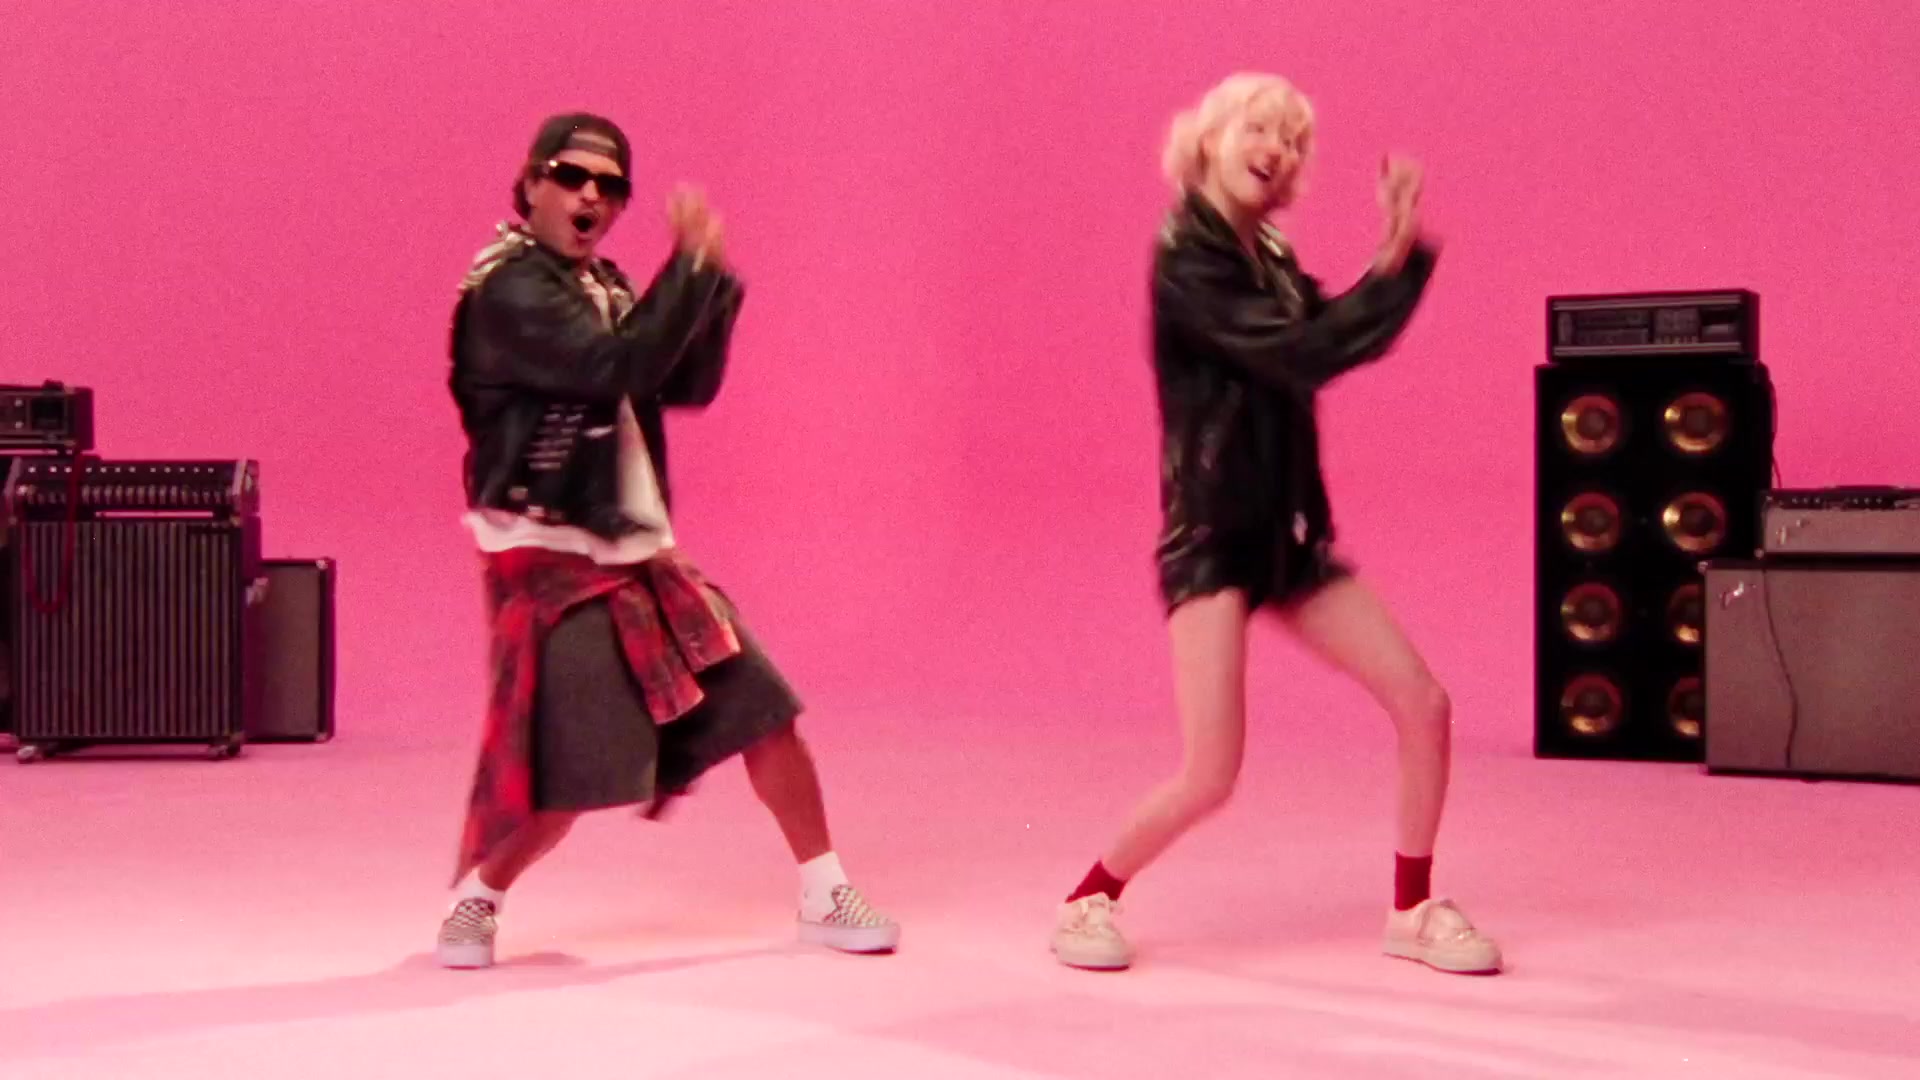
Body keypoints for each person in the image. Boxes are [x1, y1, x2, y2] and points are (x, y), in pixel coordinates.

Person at [1050, 75, 1501, 975]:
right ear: (1208, 141)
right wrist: (1393, 271)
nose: (1276, 149)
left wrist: (1396, 254)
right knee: (1211, 774)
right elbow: (1306, 351)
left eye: (1291, 140)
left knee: (1424, 703)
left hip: (1288, 538)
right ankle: (1087, 900)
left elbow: (1328, 328)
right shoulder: (1188, 259)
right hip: (1213, 539)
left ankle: (1412, 910)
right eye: (1257, 128)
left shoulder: (1271, 256)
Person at [437, 113, 899, 968]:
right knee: (568, 781)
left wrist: (709, 283)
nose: (591, 195)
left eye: (610, 186)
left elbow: (681, 381)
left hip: (635, 552)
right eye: (571, 176)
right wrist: (686, 271)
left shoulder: (599, 288)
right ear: (531, 183)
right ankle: (478, 898)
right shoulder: (509, 291)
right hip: (554, 563)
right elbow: (621, 369)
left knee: (766, 714)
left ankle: (824, 889)